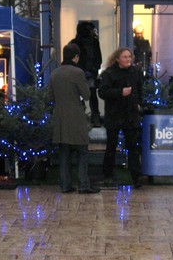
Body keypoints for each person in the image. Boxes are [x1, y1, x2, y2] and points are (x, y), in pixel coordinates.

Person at [48, 43, 99, 194]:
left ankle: (65, 185)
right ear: (76, 57)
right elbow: (87, 95)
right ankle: (83, 185)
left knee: (64, 152)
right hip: (76, 116)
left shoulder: (55, 73)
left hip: (59, 117)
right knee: (82, 150)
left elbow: (50, 96)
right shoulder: (78, 72)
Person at [98, 47, 144, 188]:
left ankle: (136, 177)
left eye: (129, 57)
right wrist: (120, 92)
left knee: (133, 148)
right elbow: (102, 92)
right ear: (117, 59)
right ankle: (108, 175)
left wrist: (139, 103)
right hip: (114, 116)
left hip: (130, 115)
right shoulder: (109, 74)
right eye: (125, 57)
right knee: (111, 147)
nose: (128, 59)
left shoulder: (135, 72)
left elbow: (140, 89)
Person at [70, 21, 102, 127]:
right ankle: (81, 117)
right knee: (80, 96)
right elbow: (72, 60)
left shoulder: (94, 42)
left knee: (92, 95)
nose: (94, 32)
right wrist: (82, 71)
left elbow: (98, 58)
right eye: (92, 30)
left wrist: (93, 70)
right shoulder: (74, 43)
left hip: (90, 73)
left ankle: (95, 116)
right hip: (79, 74)